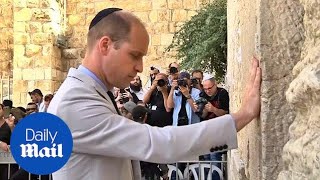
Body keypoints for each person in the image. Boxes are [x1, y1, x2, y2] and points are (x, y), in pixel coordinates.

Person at [48, 8, 261, 180]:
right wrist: (243, 115)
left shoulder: (92, 92)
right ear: (105, 45)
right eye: (134, 55)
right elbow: (158, 143)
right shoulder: (74, 101)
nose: (140, 67)